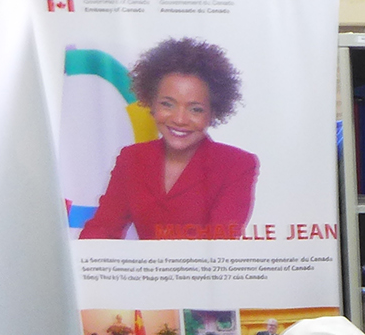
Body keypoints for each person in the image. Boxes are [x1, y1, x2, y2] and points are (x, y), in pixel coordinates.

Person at [79, 37, 259, 241]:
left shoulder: (236, 165)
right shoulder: (131, 159)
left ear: (213, 113)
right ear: (152, 104)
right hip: (141, 272)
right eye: (167, 104)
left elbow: (219, 245)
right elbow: (102, 228)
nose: (179, 119)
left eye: (195, 109)